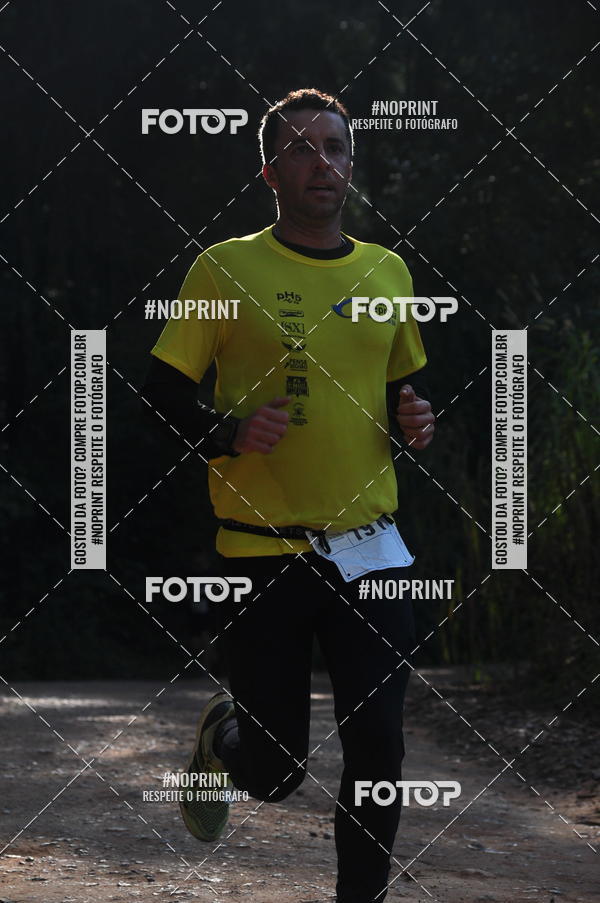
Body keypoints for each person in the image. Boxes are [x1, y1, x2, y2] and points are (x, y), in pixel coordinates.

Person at [143, 88, 435, 903]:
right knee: (276, 772)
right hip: (261, 549)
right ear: (270, 172)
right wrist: (228, 431)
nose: (322, 162)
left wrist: (416, 416)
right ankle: (224, 738)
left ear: (352, 166)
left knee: (378, 746)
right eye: (302, 148)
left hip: (370, 549)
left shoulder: (389, 270)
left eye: (335, 148)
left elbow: (404, 389)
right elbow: (159, 393)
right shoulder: (223, 267)